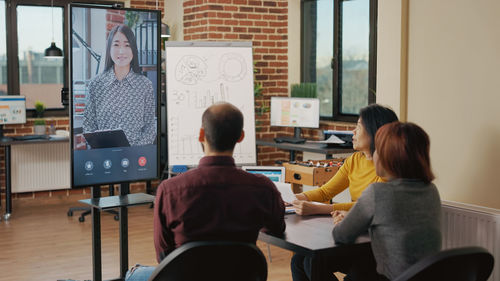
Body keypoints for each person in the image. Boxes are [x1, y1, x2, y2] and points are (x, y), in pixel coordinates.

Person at [125, 102, 286, 281]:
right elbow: (277, 228)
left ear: (201, 135)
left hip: (185, 277)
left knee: (133, 274)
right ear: (241, 137)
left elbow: (164, 257)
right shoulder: (263, 188)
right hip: (238, 276)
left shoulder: (169, 190)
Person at [291, 104, 398, 281]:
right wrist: (293, 198)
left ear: (375, 132)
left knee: (313, 262)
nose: (352, 132)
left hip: (372, 246)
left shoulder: (387, 167)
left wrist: (320, 209)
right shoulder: (354, 160)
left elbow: (366, 206)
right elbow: (325, 191)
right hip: (356, 234)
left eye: (358, 126)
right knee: (299, 260)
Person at [332, 122, 442, 280]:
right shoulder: (431, 190)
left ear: (390, 156)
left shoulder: (378, 193)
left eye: (377, 149)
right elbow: (397, 227)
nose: (374, 154)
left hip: (389, 277)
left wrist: (341, 222)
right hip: (423, 276)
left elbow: (341, 236)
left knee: (307, 261)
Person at [82, 24, 156, 147]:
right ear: (109, 48)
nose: (121, 51)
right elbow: (88, 125)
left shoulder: (145, 85)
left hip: (136, 158)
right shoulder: (95, 84)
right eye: (116, 45)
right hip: (104, 156)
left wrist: (135, 150)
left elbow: (150, 126)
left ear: (133, 49)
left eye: (127, 45)